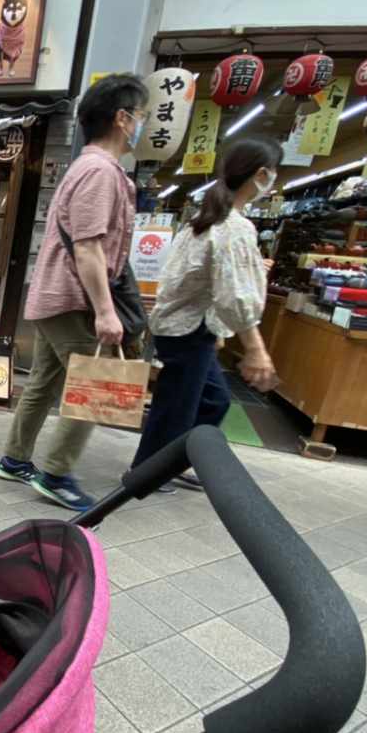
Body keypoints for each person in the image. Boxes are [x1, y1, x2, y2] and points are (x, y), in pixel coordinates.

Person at [0, 73, 148, 512]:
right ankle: (56, 473)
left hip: (54, 299)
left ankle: (15, 459)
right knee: (96, 385)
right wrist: (105, 312)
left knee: (44, 382)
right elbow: (87, 247)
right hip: (72, 302)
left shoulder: (89, 167)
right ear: (122, 118)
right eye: (140, 115)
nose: (142, 123)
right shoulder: (100, 171)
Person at [131, 135, 282, 488]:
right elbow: (235, 297)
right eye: (273, 173)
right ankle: (146, 473)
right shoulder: (232, 226)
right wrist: (256, 350)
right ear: (261, 174)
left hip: (186, 327)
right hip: (188, 331)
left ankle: (173, 461)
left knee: (212, 399)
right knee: (177, 407)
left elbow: (201, 281)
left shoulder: (207, 220)